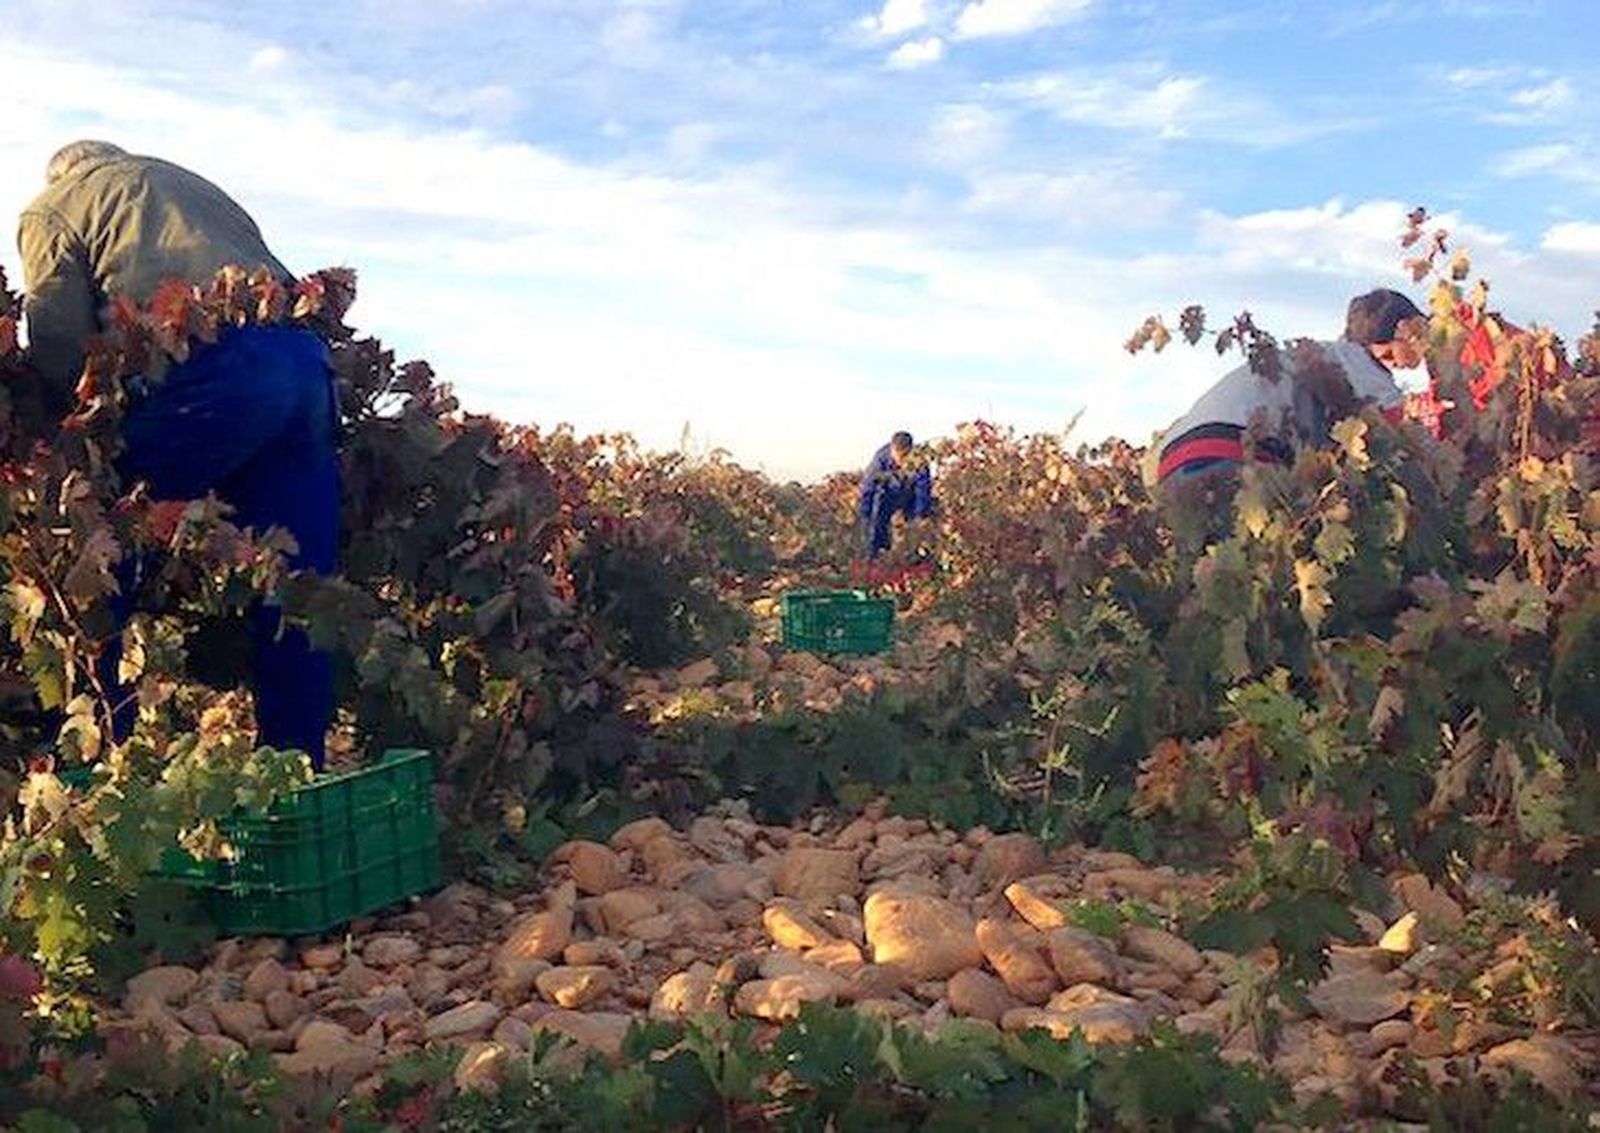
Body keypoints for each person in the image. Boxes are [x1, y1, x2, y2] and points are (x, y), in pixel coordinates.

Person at [18, 140, 338, 769]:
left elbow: (57, 343)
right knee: (295, 584)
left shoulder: (54, 207)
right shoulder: (191, 186)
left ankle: (101, 764)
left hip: (214, 375)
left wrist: (52, 439)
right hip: (304, 372)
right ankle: (295, 776)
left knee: (97, 536)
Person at [1143, 288, 1424, 489]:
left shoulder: (1325, 355)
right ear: (1402, 330)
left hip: (1174, 458)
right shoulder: (1361, 364)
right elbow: (1395, 444)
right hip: (1230, 451)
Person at [858, 431, 934, 560]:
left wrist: (920, 515)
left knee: (917, 528)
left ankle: (915, 557)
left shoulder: (919, 460)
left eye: (903, 455)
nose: (899, 458)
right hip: (886, 497)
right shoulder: (881, 458)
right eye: (896, 454)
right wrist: (865, 514)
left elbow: (923, 489)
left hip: (910, 497)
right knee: (875, 522)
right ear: (892, 449)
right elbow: (868, 487)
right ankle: (875, 553)